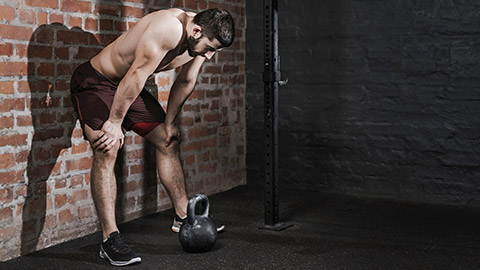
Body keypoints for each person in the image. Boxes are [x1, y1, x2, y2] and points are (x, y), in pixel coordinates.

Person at [70, 8, 234, 266]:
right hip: (98, 82)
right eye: (209, 49)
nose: (210, 56)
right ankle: (109, 238)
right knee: (108, 147)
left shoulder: (201, 39)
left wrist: (169, 123)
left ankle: (184, 216)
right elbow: (136, 75)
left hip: (128, 85)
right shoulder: (168, 28)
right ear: (196, 31)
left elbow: (186, 80)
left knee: (168, 140)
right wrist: (114, 122)